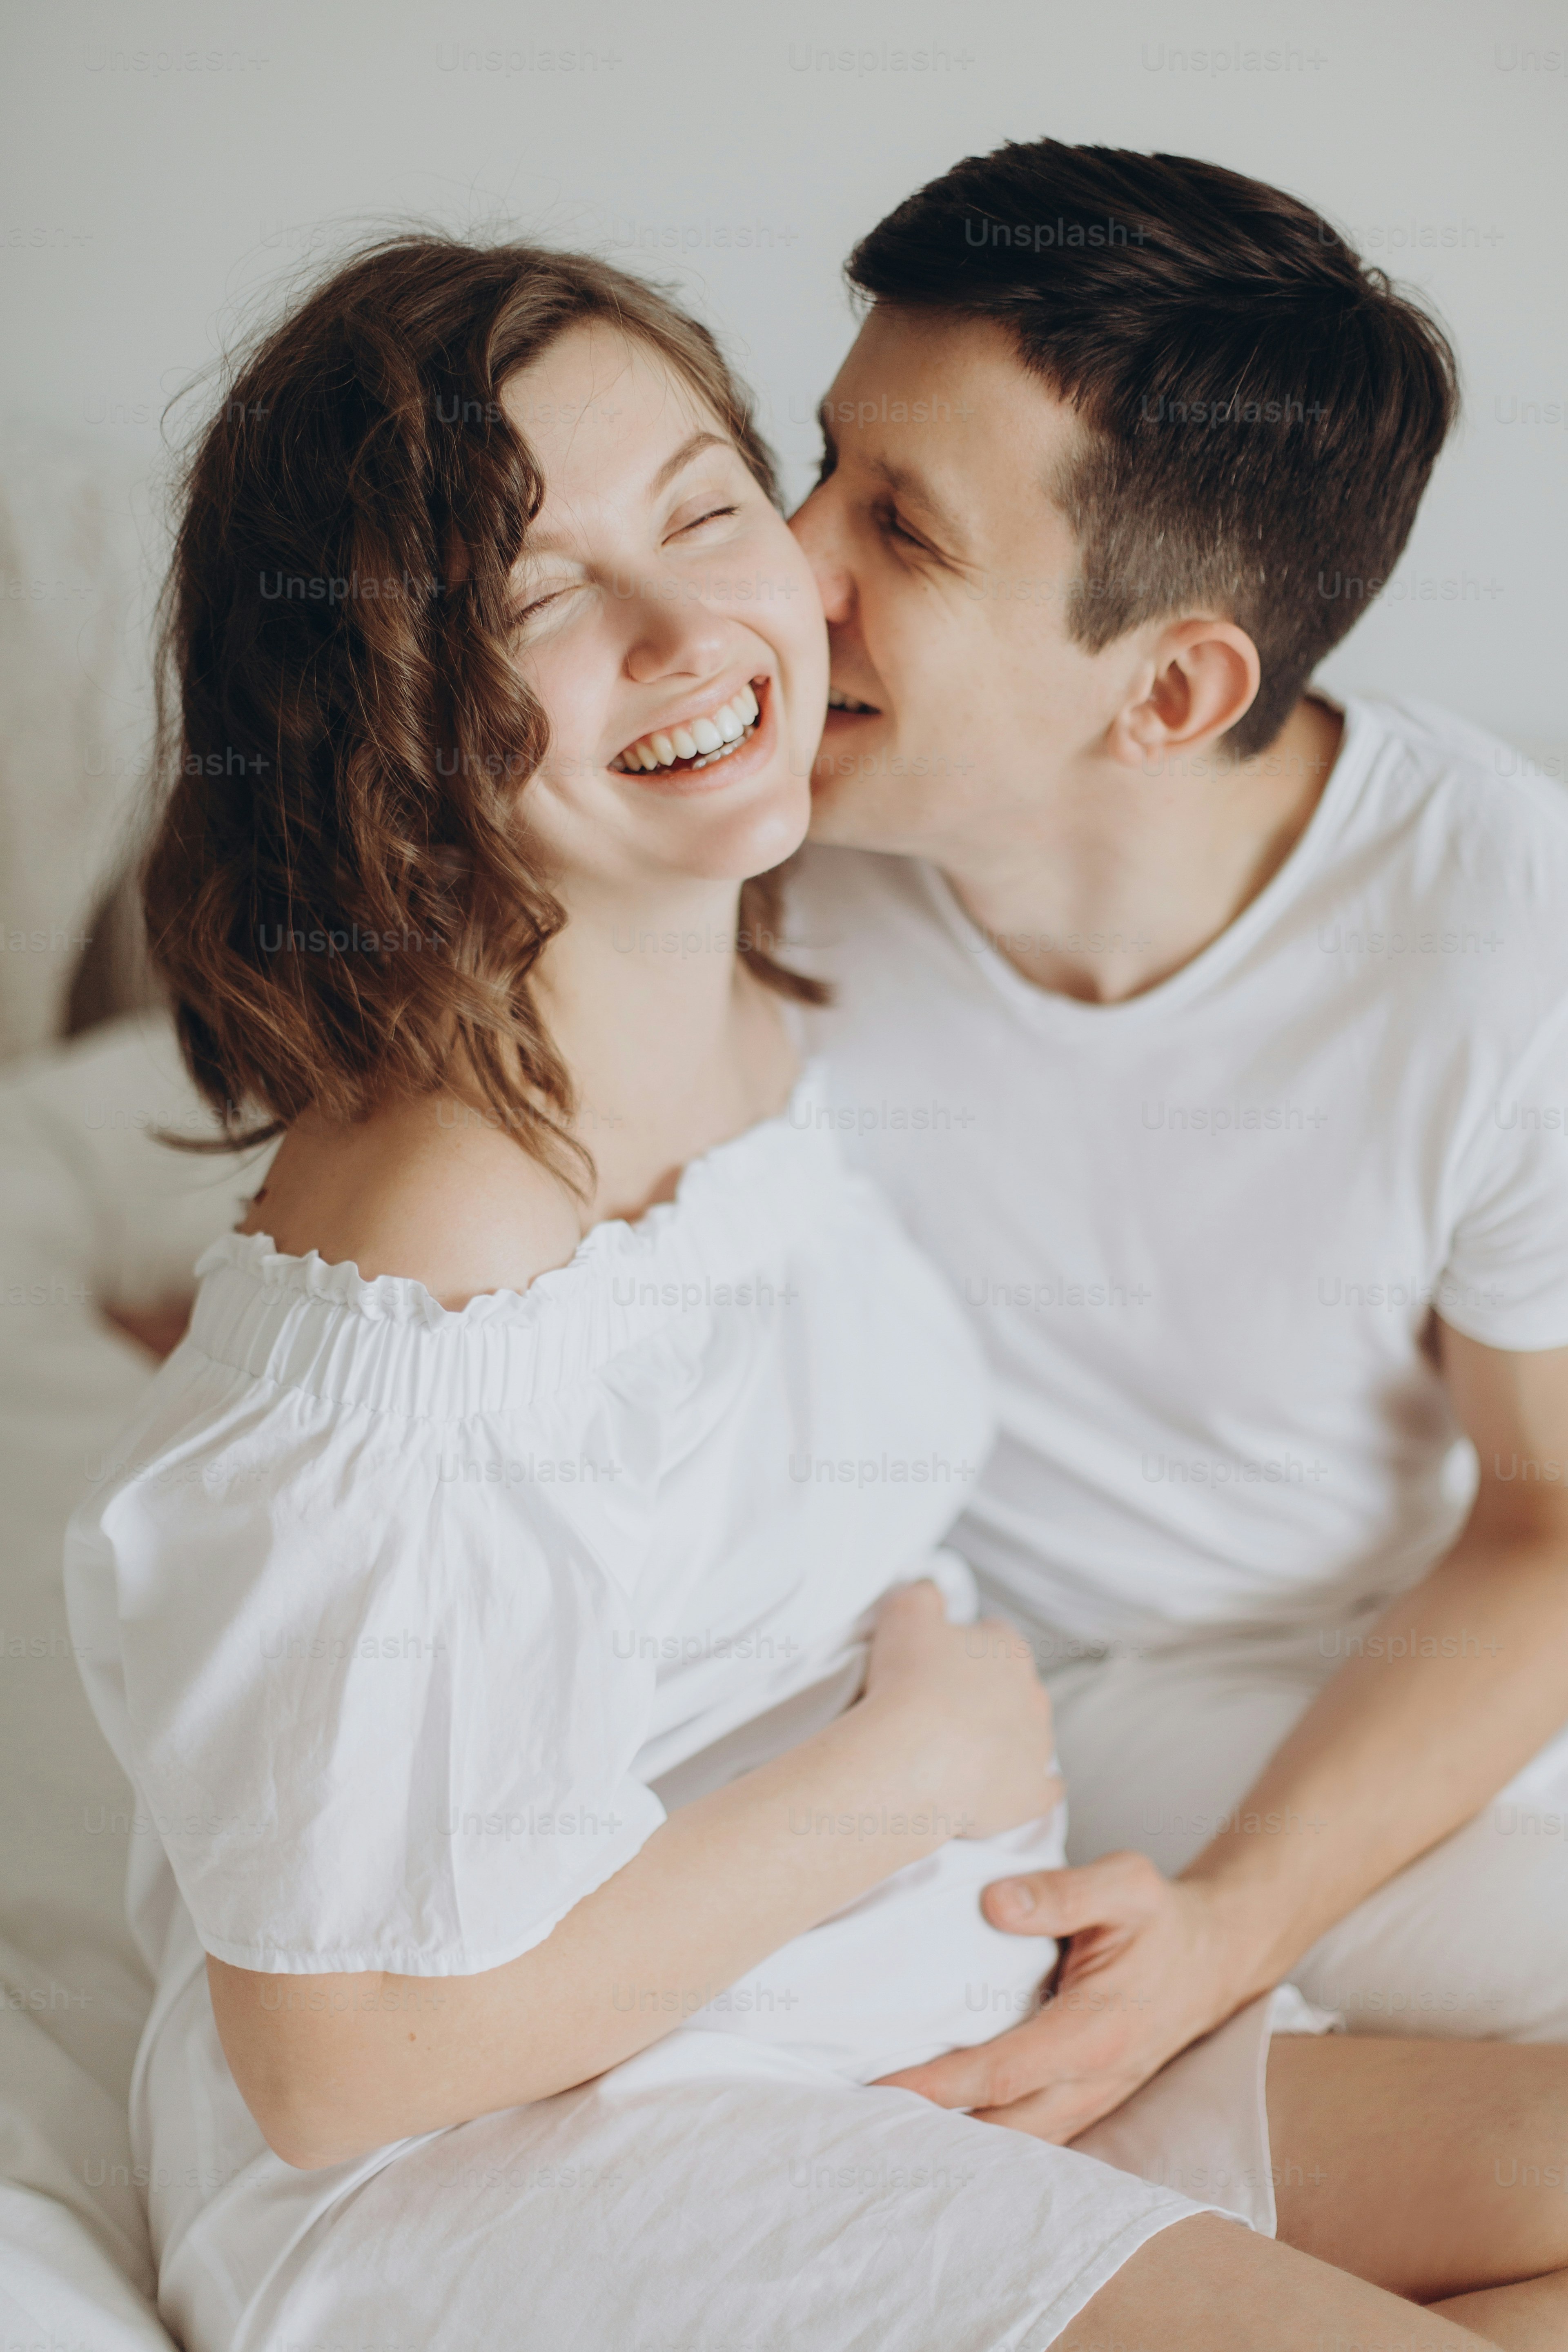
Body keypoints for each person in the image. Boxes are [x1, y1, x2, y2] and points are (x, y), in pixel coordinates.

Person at [62, 234, 1565, 2352]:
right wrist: (890, 1782)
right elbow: (336, 2065)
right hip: (527, 2141)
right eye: (539, 593)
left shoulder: (783, 973)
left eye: (705, 504)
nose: (729, 615)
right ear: (389, 700)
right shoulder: (433, 1260)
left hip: (868, 1992)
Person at [785, 137, 1568, 2171]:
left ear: (1175, 688)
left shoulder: (1499, 923)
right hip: (1028, 1696)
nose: (784, 570)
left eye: (901, 530)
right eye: (816, 467)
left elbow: (1551, 1516)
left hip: (1393, 1680)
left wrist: (1234, 1929)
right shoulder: (756, 835)